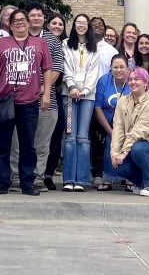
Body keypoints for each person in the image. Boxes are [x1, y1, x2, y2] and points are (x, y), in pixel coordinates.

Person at [0, 8, 53, 195]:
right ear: (10, 25)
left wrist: (46, 94)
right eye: (16, 20)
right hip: (5, 98)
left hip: (29, 100)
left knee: (28, 144)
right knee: (1, 143)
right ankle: (3, 181)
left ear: (29, 24)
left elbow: (47, 69)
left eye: (23, 20)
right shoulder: (1, 44)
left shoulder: (40, 43)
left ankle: (27, 183)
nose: (20, 23)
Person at [10, 3, 64, 191]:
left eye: (40, 15)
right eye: (32, 15)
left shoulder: (51, 40)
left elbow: (57, 66)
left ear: (44, 19)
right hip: (20, 98)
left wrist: (43, 88)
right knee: (18, 140)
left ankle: (37, 177)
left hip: (45, 99)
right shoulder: (16, 38)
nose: (36, 18)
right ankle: (16, 177)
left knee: (42, 142)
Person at [110, 68, 149, 196]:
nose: (132, 82)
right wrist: (115, 153)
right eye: (130, 79)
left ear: (145, 83)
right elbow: (118, 128)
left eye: (137, 79)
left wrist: (124, 152)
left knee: (138, 148)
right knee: (118, 165)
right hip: (133, 145)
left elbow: (138, 132)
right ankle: (142, 183)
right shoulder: (122, 101)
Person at [61, 13, 100, 190]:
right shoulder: (66, 44)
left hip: (88, 96)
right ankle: (69, 179)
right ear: (74, 25)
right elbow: (66, 66)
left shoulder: (95, 48)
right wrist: (72, 87)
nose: (81, 25)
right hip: (69, 94)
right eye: (78, 22)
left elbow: (94, 72)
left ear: (88, 26)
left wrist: (84, 90)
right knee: (70, 137)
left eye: (84, 23)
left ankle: (82, 180)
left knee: (83, 138)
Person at [93, 54, 131, 190]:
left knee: (130, 145)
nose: (119, 70)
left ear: (128, 68)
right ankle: (108, 178)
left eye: (122, 67)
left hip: (131, 125)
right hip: (109, 124)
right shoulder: (104, 81)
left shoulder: (133, 80)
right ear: (110, 68)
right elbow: (97, 107)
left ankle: (130, 179)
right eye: (115, 67)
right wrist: (110, 130)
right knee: (111, 142)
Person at [89, 15, 117, 184]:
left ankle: (101, 173)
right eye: (94, 24)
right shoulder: (82, 46)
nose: (97, 26)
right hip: (84, 97)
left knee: (101, 138)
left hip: (104, 101)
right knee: (85, 138)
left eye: (100, 24)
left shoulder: (111, 51)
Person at [44, 12, 67, 188]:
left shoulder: (67, 45)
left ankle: (48, 174)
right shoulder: (41, 40)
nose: (57, 26)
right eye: (54, 23)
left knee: (56, 134)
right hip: (40, 92)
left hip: (60, 93)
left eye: (61, 24)